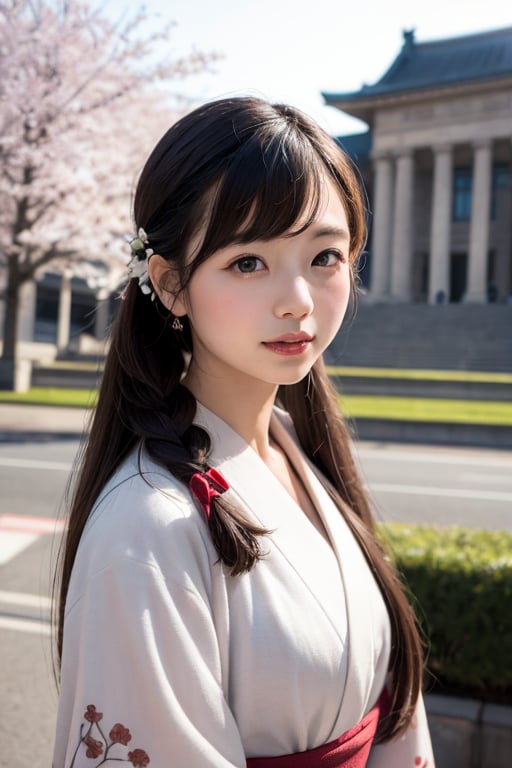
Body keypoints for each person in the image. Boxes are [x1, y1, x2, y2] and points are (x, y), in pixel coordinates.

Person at [52, 96, 435, 768]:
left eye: (325, 256)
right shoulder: (145, 529)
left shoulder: (299, 453)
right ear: (170, 284)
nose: (299, 299)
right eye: (249, 262)